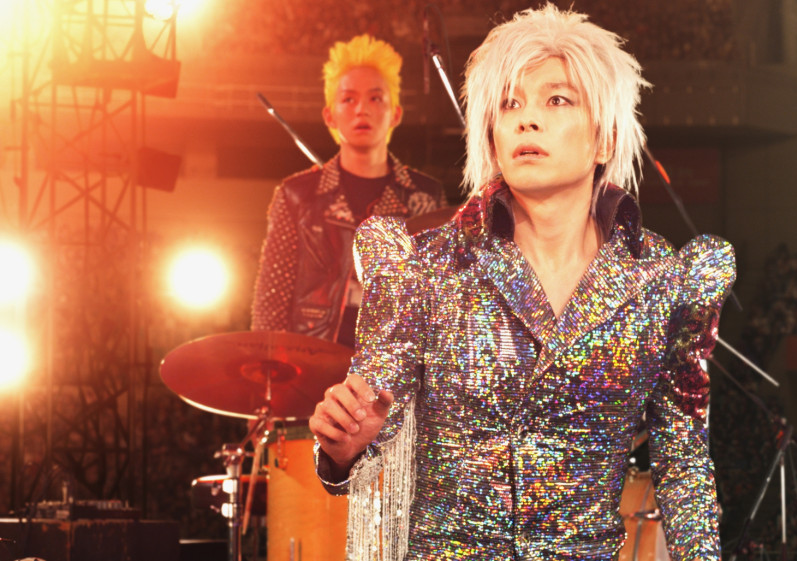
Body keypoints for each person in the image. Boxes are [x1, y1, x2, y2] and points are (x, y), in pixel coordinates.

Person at [308, 4, 736, 560]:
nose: (526, 120)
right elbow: (367, 427)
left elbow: (684, 467)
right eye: (509, 103)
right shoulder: (428, 267)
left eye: (557, 100)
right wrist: (343, 448)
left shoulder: (659, 282)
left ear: (605, 139)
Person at [251, 34, 445, 347]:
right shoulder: (296, 195)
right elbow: (271, 305)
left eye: (375, 99)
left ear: (395, 113)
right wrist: (269, 368)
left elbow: (437, 300)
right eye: (348, 100)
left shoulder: (424, 196)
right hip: (312, 360)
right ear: (330, 115)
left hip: (392, 365)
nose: (361, 110)